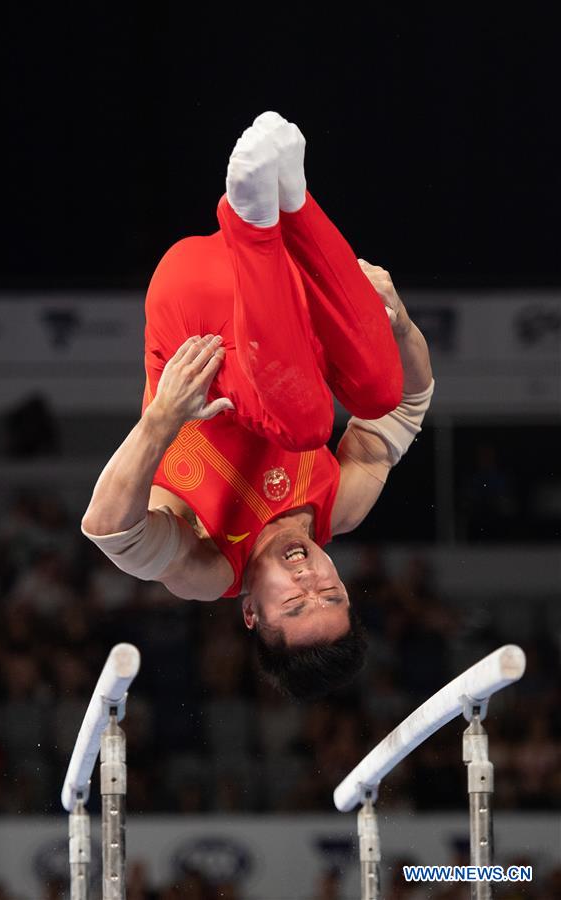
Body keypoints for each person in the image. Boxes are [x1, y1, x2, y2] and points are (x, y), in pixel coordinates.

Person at [81, 111, 434, 700]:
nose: (309, 576)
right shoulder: (342, 506)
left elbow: (108, 530)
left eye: (295, 601)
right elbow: (413, 403)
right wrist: (395, 321)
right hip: (275, 285)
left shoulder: (211, 568)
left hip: (198, 319)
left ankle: (253, 216)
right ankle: (291, 201)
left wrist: (163, 417)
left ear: (252, 613)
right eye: (331, 591)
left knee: (305, 424)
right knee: (380, 390)